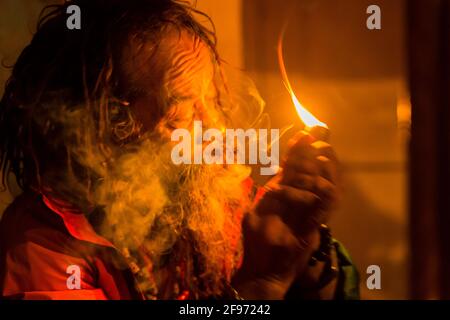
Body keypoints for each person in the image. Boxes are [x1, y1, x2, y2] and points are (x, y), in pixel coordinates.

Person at [0, 0, 359, 300]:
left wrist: (306, 244)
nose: (216, 131)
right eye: (183, 111)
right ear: (103, 134)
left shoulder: (210, 204)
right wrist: (258, 285)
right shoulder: (44, 251)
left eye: (213, 102)